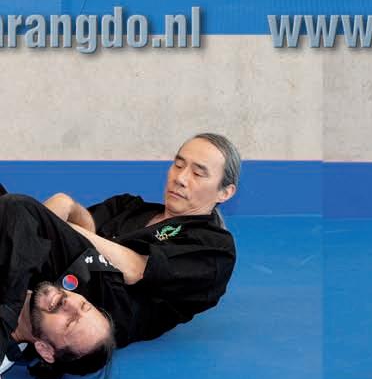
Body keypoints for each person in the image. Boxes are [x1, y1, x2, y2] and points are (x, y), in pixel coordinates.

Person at [40, 133, 242, 348]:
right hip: (46, 279)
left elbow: (135, 269)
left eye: (198, 173)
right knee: (37, 207)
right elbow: (86, 230)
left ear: (225, 192)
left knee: (25, 212)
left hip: (78, 314)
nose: (180, 178)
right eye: (178, 165)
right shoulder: (127, 206)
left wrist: (57, 225)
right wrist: (69, 207)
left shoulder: (214, 248)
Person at [0, 191, 116, 379]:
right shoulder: (29, 267)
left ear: (45, 350)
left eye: (70, 322)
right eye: (84, 305)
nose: (68, 303)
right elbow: (17, 209)